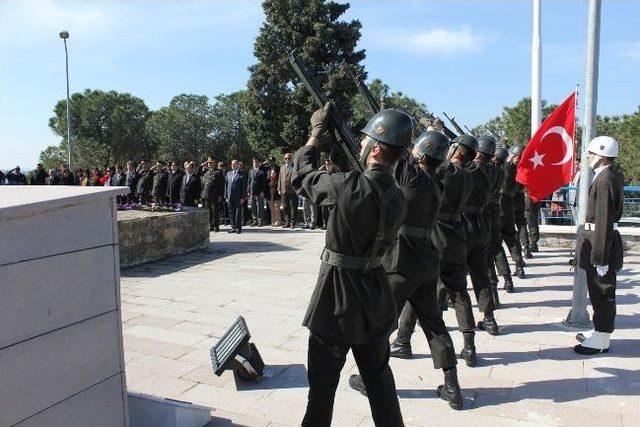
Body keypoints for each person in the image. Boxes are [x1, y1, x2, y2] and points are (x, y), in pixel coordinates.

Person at [293, 106, 412, 426]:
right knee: (380, 383)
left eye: (364, 141)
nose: (359, 145)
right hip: (374, 296)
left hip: (336, 298)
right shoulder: (399, 197)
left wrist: (314, 136)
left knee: (321, 390)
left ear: (375, 149)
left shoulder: (348, 186)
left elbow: (301, 176)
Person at [350, 130, 464, 410]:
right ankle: (452, 386)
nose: (409, 152)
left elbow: (393, 152)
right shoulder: (436, 180)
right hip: (426, 262)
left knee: (380, 325)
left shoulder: (412, 175)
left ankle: (370, 380)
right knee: (435, 325)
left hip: (402, 262)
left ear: (422, 155)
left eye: (415, 150)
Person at [574, 136, 625, 355]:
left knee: (601, 292)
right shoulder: (609, 176)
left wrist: (601, 256)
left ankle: (602, 338)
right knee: (598, 291)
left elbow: (604, 218)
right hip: (598, 239)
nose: (587, 157)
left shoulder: (605, 180)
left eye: (591, 153)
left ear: (602, 155)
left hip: (600, 242)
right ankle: (599, 331)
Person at [497, 144, 526, 288]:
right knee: (512, 237)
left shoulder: (505, 167)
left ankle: (506, 278)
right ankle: (519, 265)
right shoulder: (520, 170)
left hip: (500, 203)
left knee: (496, 243)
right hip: (510, 204)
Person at [487, 145, 514, 299]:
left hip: (486, 212)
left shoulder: (489, 170)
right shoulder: (501, 170)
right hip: (496, 209)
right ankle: (508, 279)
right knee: (497, 248)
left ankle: (493, 286)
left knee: (486, 251)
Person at [200, 157, 225, 231]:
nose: (209, 164)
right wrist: (202, 165)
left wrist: (220, 195)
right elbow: (197, 173)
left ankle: (216, 226)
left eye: (211, 162)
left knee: (215, 211)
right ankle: (210, 225)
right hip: (206, 194)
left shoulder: (218, 172)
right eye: (208, 162)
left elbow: (221, 184)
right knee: (208, 212)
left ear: (214, 163)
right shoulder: (206, 172)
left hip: (215, 195)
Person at [224, 159, 247, 234]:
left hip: (238, 197)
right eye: (232, 164)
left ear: (238, 165)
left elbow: (244, 187)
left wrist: (243, 197)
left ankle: (238, 228)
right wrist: (226, 196)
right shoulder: (228, 173)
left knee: (238, 212)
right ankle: (233, 227)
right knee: (231, 212)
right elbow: (226, 185)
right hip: (230, 196)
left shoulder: (242, 174)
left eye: (234, 164)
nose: (233, 165)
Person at [278, 153, 297, 228]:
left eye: (289, 158)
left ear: (291, 159)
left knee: (293, 207)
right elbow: (280, 178)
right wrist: (279, 188)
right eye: (286, 159)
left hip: (292, 190)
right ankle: (287, 222)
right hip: (283, 190)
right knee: (285, 207)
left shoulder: (295, 167)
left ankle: (293, 223)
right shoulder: (282, 167)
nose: (287, 160)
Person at [247, 157, 268, 226]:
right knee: (253, 206)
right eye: (253, 162)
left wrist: (262, 191)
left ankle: (260, 221)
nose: (255, 163)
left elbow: (264, 183)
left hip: (259, 192)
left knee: (260, 206)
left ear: (259, 163)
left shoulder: (262, 171)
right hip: (252, 191)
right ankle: (254, 219)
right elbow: (249, 181)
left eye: (256, 162)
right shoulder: (251, 171)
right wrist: (248, 191)